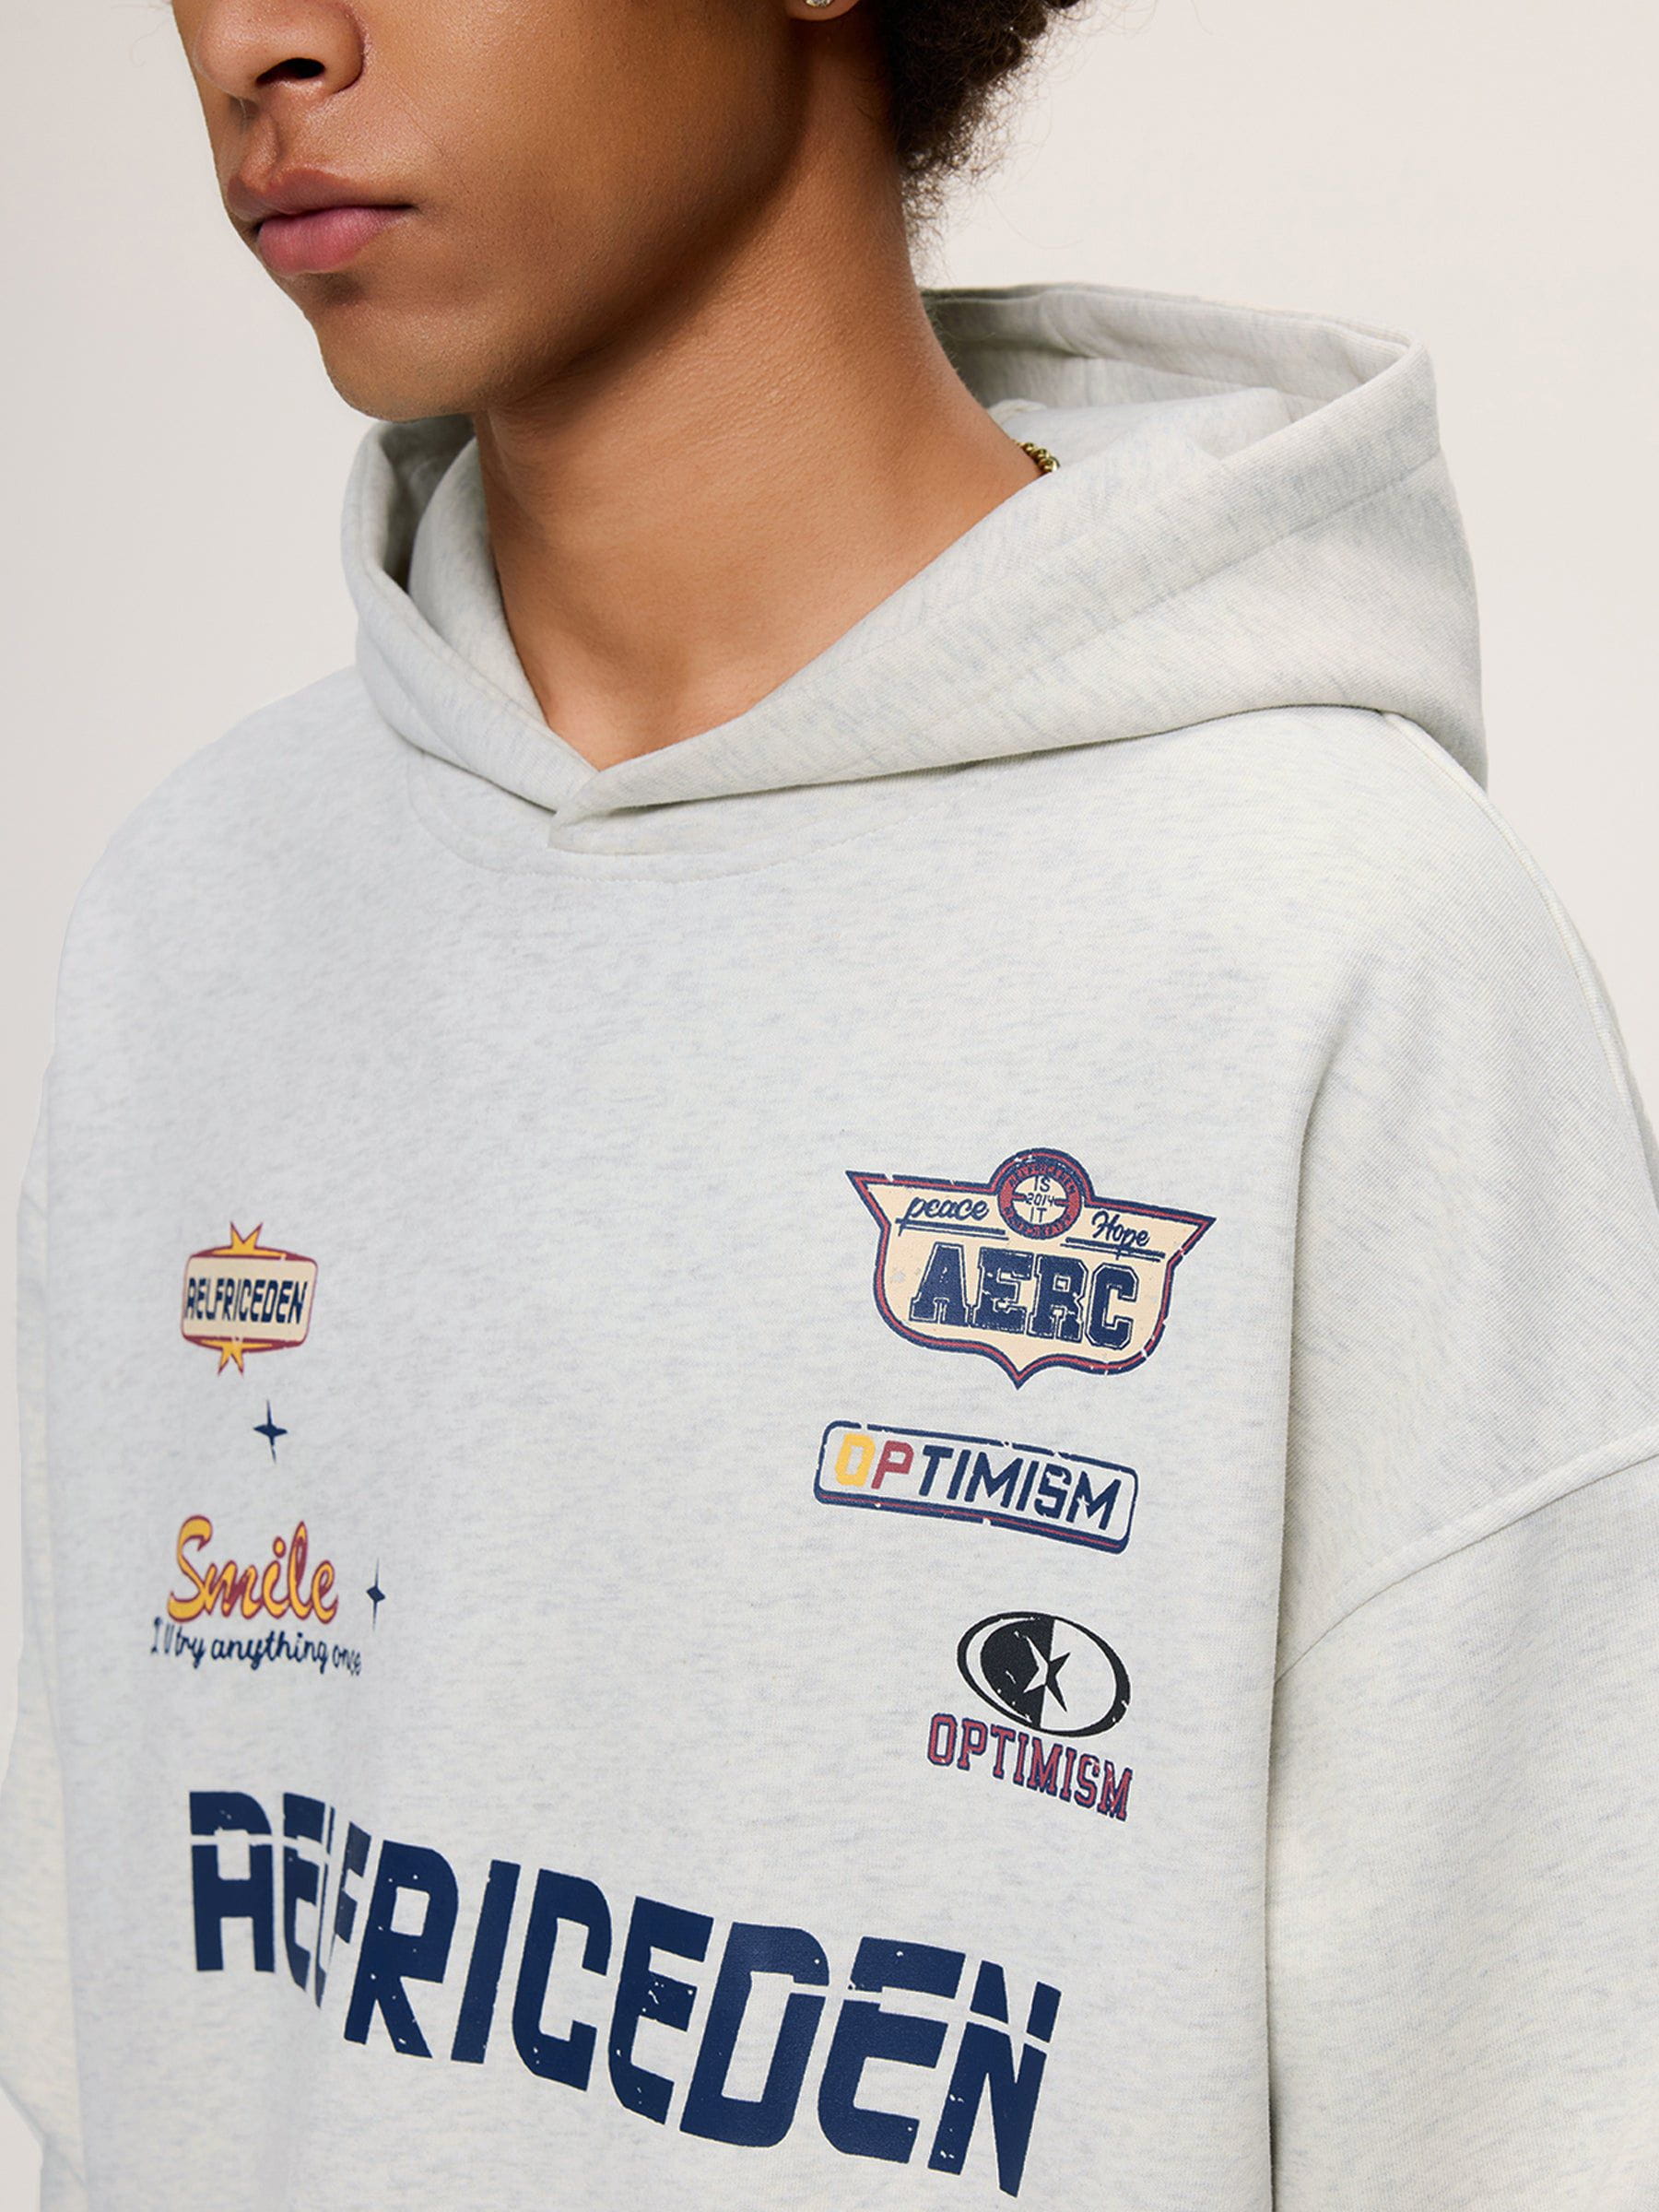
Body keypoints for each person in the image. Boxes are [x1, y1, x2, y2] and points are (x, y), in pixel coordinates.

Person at [2, 0, 1656, 2204]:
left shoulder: (1336, 945)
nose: (264, 41)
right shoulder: (196, 924)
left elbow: (1530, 2123)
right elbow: (123, 2066)